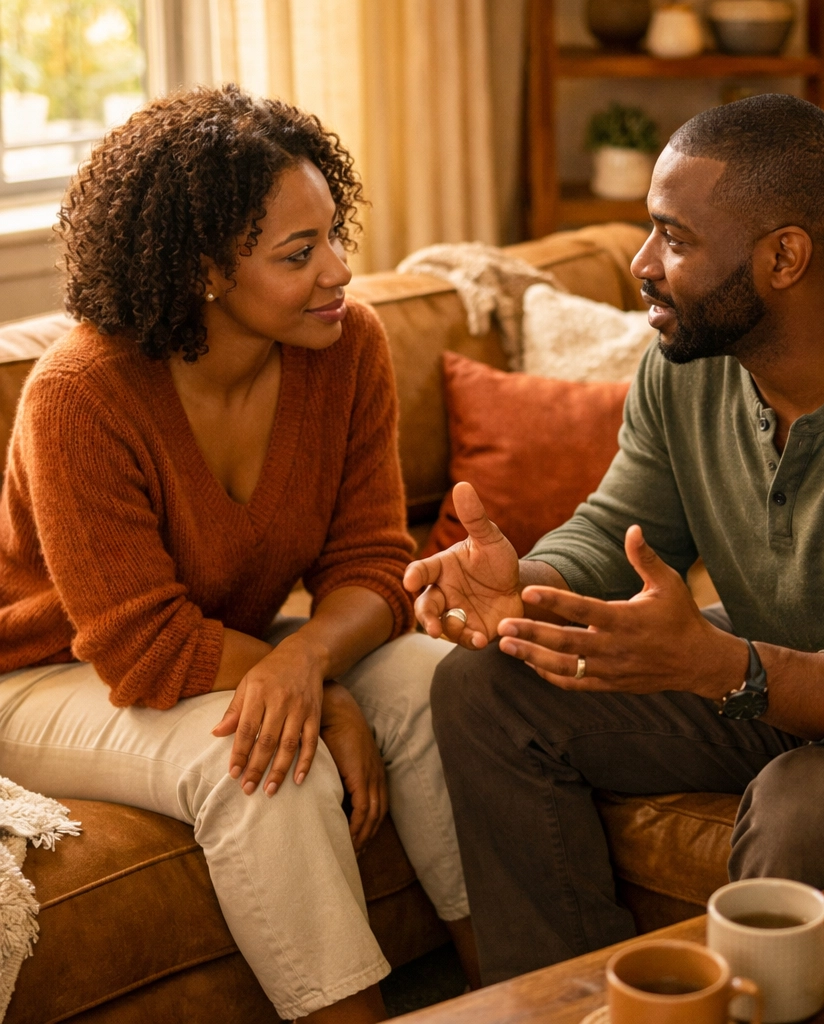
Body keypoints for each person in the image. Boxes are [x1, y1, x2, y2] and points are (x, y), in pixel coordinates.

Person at [403, 94, 824, 984]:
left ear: (784, 257)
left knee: (804, 804)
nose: (641, 263)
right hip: (778, 676)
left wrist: (724, 667)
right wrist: (525, 583)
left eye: (675, 238)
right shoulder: (684, 369)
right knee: (486, 687)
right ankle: (569, 1001)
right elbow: (618, 534)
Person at [0, 85, 478, 1022]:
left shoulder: (346, 347)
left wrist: (306, 659)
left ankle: (517, 990)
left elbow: (374, 563)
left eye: (334, 235)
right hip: (49, 674)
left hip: (227, 646)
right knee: (262, 758)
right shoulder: (79, 397)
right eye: (299, 255)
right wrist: (321, 692)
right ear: (204, 271)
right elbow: (144, 650)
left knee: (436, 683)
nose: (340, 270)